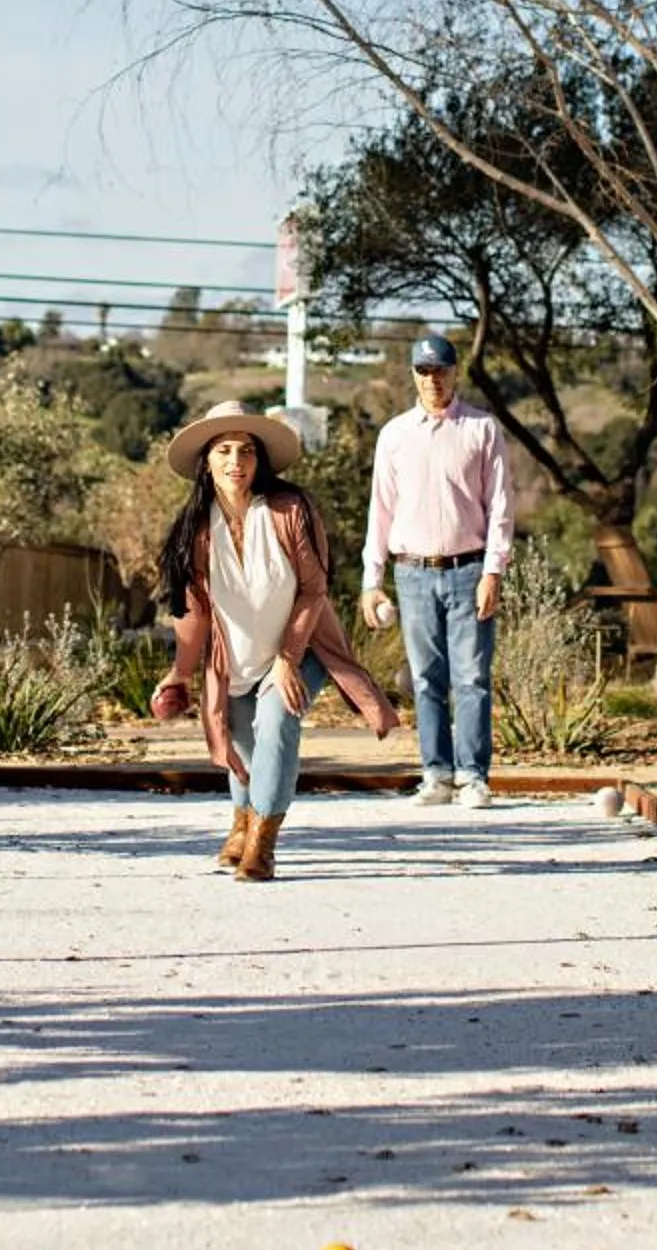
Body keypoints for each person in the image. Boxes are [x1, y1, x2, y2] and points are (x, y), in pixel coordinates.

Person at [150, 399, 399, 880]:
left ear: (259, 459)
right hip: (235, 655)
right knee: (242, 746)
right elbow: (194, 612)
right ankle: (241, 822)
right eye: (223, 450)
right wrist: (180, 671)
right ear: (207, 461)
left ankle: (262, 842)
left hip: (301, 648)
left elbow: (313, 589)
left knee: (278, 719)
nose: (235, 462)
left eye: (245, 451)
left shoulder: (289, 509)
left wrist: (288, 659)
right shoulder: (197, 530)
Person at [360, 332, 513, 809]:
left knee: (471, 676)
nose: (433, 379)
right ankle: (436, 775)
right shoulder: (395, 434)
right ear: (413, 375)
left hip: (468, 568)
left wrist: (494, 571)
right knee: (425, 677)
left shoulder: (483, 429)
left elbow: (501, 506)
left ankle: (472, 776)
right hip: (413, 572)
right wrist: (372, 580)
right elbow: (380, 510)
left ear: (454, 372)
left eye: (440, 370)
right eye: (423, 371)